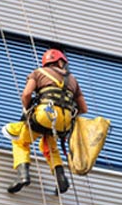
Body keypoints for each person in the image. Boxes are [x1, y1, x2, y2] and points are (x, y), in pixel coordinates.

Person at [6, 48, 88, 195]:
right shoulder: (73, 80)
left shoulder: (38, 73)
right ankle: (61, 179)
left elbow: (26, 94)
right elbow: (83, 108)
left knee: (20, 141)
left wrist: (27, 110)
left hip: (45, 114)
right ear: (60, 61)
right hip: (64, 121)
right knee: (49, 146)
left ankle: (23, 175)